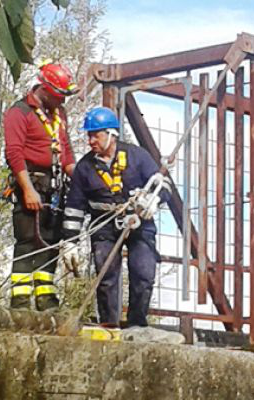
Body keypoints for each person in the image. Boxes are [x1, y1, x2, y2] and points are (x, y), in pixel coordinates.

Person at [61, 107, 170, 328]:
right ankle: (109, 326)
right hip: (104, 225)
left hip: (138, 222)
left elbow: (163, 186)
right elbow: (74, 207)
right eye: (89, 135)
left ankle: (136, 325)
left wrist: (153, 201)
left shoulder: (137, 156)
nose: (90, 140)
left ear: (111, 134)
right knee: (106, 275)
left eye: (95, 135)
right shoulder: (85, 168)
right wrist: (70, 242)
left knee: (143, 272)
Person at [3, 62, 78, 311]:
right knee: (27, 240)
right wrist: (27, 189)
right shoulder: (20, 112)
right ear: (45, 89)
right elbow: (14, 154)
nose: (62, 101)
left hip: (55, 186)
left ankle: (46, 298)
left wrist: (80, 181)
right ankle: (21, 301)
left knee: (50, 240)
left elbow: (65, 152)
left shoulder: (59, 114)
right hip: (31, 182)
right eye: (60, 96)